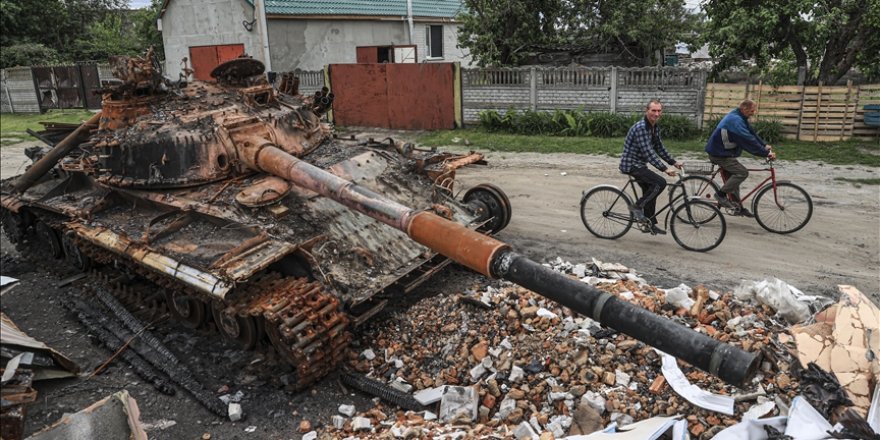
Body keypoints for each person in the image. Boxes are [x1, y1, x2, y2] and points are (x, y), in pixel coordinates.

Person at [619, 100, 683, 235]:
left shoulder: (654, 127)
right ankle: (636, 207)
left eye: (659, 111)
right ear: (646, 111)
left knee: (652, 190)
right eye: (653, 110)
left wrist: (673, 162)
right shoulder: (641, 127)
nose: (657, 114)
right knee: (660, 182)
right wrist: (664, 169)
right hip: (631, 164)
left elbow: (659, 148)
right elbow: (648, 152)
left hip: (640, 164)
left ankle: (649, 223)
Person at [705, 99, 776, 216]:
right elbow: (747, 139)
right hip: (719, 154)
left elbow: (751, 133)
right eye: (752, 111)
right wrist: (765, 153)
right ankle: (720, 195)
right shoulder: (736, 120)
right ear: (744, 109)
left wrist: (764, 145)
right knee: (742, 173)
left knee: (734, 179)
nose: (754, 113)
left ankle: (737, 207)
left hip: (724, 152)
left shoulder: (739, 116)